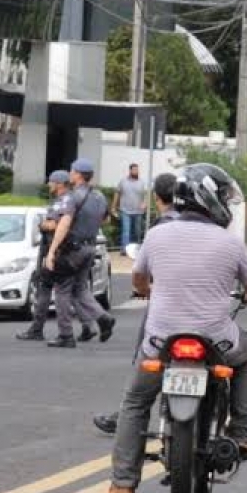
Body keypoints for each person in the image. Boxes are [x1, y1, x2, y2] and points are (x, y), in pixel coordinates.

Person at [102, 164, 247, 493]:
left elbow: (138, 280)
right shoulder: (230, 243)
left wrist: (148, 290)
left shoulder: (157, 235)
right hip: (216, 340)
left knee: (135, 402)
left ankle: (122, 485)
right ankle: (243, 434)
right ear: (209, 198)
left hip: (161, 341)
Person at [92, 172, 181, 436]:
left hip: (164, 308)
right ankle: (242, 429)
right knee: (239, 359)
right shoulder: (211, 228)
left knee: (146, 358)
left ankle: (126, 424)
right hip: (205, 314)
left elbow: (140, 275)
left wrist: (146, 290)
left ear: (156, 196)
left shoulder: (159, 228)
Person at [16, 171, 99, 343]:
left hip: (59, 251)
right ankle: (84, 326)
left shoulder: (65, 200)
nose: (49, 185)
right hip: (61, 251)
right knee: (70, 290)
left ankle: (58, 332)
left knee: (56, 290)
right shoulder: (68, 199)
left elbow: (55, 224)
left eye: (51, 182)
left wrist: (43, 226)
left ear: (60, 183)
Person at [43, 159, 116, 348]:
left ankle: (66, 335)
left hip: (72, 250)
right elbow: (106, 220)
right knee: (81, 288)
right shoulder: (99, 196)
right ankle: (103, 318)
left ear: (78, 174)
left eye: (72, 171)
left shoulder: (72, 197)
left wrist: (51, 252)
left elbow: (64, 224)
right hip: (90, 247)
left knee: (62, 290)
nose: (70, 174)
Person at [112, 163, 147, 250]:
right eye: (134, 169)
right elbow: (117, 194)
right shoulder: (123, 181)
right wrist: (113, 207)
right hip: (125, 210)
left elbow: (144, 196)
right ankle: (124, 249)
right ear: (130, 170)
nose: (136, 171)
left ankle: (136, 249)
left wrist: (144, 203)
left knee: (137, 232)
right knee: (126, 231)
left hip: (138, 211)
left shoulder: (141, 182)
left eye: (137, 170)